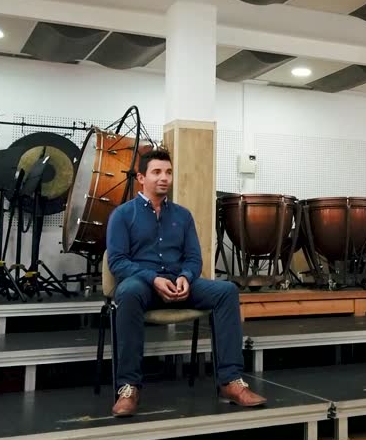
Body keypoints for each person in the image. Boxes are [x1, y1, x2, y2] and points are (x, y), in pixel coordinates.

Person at [106, 148, 266, 417]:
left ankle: (230, 381)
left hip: (180, 284)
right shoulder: (122, 215)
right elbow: (118, 262)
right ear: (141, 178)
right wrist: (153, 279)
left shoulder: (182, 215)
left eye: (168, 172)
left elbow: (193, 258)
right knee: (128, 292)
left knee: (226, 291)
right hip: (142, 285)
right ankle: (128, 388)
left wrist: (185, 277)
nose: (164, 178)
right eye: (157, 172)